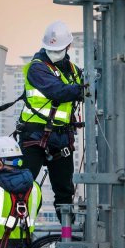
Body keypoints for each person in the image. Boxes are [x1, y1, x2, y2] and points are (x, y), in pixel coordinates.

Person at [17, 20, 83, 221]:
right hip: (35, 134)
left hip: (62, 137)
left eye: (59, 49)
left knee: (64, 193)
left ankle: (67, 235)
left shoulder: (74, 71)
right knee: (23, 187)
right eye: (51, 49)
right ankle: (19, 232)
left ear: (68, 47)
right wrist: (84, 88)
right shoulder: (36, 68)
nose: (55, 52)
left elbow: (85, 91)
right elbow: (58, 91)